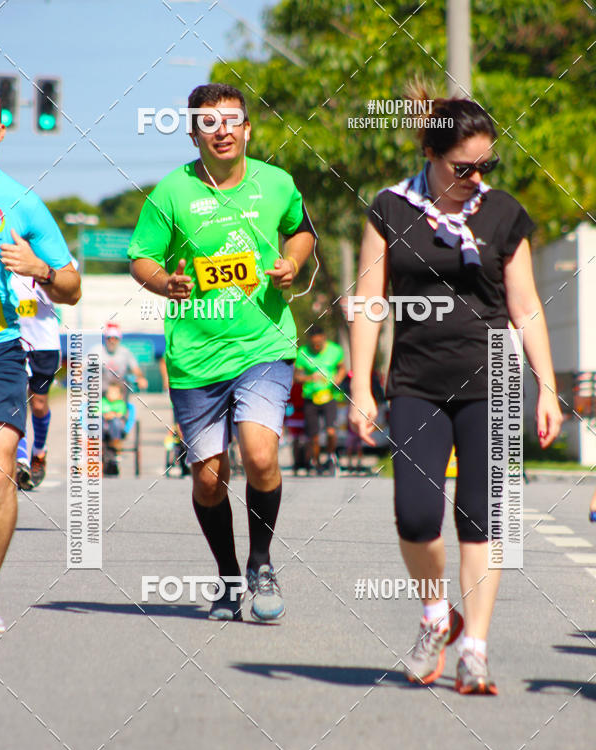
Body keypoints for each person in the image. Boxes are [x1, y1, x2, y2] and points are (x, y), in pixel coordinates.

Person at [349, 89, 562, 694]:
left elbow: (524, 307)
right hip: (415, 377)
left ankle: (476, 647)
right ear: (430, 154)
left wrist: (546, 388)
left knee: (482, 515)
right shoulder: (390, 209)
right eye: (462, 167)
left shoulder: (502, 215)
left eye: (485, 166)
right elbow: (369, 303)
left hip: (492, 372)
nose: (475, 178)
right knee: (416, 515)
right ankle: (435, 614)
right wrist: (362, 385)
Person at [128, 82, 316, 622]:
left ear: (248, 128)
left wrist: (292, 262)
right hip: (195, 355)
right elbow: (141, 257)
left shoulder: (276, 183)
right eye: (209, 123)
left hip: (263, 344)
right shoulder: (170, 193)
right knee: (209, 479)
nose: (223, 130)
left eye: (232, 120)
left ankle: (261, 564)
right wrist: (165, 282)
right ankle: (228, 576)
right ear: (193, 134)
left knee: (259, 455)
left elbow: (301, 232)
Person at [0, 95, 81, 632]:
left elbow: (73, 286)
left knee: (2, 464)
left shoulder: (21, 202)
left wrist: (40, 269)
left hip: (2, 345)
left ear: (0, 128)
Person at [10, 273, 62, 489]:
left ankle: (39, 451)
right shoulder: (3, 252)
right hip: (12, 339)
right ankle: (20, 460)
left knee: (38, 404)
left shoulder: (48, 247)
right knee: (15, 399)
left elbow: (67, 290)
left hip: (43, 342)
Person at [294, 325, 346, 474]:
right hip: (311, 398)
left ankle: (330, 457)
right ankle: (316, 462)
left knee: (331, 431)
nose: (316, 347)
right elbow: (296, 377)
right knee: (314, 437)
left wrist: (338, 378)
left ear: (324, 339)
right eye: (314, 344)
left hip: (329, 397)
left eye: (319, 344)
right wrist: (310, 377)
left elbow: (342, 368)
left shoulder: (335, 350)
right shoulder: (303, 352)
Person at [100, 322, 148, 395]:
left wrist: (140, 378)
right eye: (109, 338)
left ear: (119, 339)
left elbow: (135, 369)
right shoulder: (98, 350)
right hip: (103, 389)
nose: (112, 341)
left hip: (120, 389)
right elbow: (83, 365)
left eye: (115, 338)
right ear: (106, 339)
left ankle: (124, 405)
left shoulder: (125, 352)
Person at [101, 381, 129, 476]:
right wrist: (105, 415)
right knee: (98, 420)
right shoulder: (103, 402)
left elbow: (121, 414)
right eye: (109, 392)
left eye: (114, 393)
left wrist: (113, 415)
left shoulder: (120, 404)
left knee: (115, 421)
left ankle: (116, 442)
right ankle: (98, 440)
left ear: (120, 395)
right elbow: (97, 411)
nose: (111, 395)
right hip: (104, 427)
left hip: (116, 428)